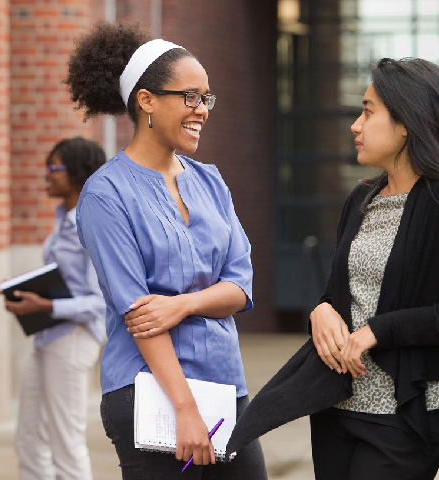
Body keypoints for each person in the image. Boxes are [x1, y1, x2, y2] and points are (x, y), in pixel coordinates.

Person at [230, 57, 439, 480]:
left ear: (406, 122)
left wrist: (383, 330)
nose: (355, 124)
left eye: (367, 111)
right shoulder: (361, 199)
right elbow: (341, 293)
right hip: (335, 403)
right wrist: (322, 310)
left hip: (406, 411)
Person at [64, 22, 268, 478]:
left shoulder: (211, 181)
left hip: (225, 387)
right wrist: (185, 409)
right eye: (190, 96)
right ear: (147, 100)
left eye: (206, 98)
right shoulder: (105, 194)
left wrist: (181, 305)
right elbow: (140, 315)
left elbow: (240, 286)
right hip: (150, 395)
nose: (202, 110)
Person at [0, 137, 108, 480]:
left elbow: (100, 301)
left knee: (66, 442)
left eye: (54, 168)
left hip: (74, 340)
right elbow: (62, 279)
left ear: (79, 172)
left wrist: (46, 305)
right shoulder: (63, 216)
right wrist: (20, 288)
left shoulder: (90, 223)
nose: (46, 175)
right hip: (48, 338)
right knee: (29, 439)